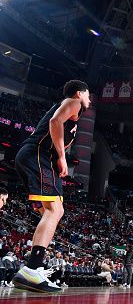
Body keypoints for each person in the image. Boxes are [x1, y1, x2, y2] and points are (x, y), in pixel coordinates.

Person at [12, 80, 90, 293]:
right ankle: (32, 268)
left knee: (54, 210)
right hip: (37, 154)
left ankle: (32, 268)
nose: (90, 99)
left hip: (35, 157)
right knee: (54, 209)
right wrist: (63, 157)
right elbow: (55, 122)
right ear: (79, 93)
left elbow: (57, 130)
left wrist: (59, 157)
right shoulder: (73, 102)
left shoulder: (74, 116)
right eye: (88, 94)